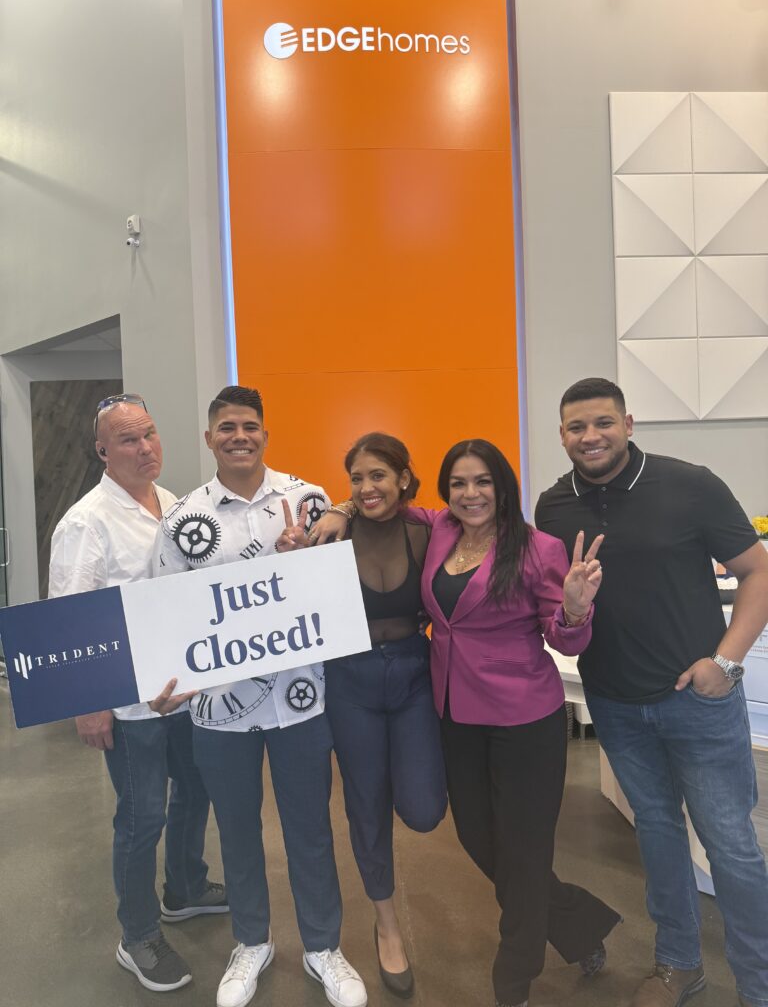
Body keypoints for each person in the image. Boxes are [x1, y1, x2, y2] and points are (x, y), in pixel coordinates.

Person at [314, 438, 621, 1007]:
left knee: (524, 851)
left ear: (503, 487)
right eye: (459, 483)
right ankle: (578, 923)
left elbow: (565, 639)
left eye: (483, 482)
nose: (470, 493)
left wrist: (576, 608)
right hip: (454, 711)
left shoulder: (539, 548)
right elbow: (378, 495)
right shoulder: (439, 530)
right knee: (480, 840)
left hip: (524, 717)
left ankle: (513, 980)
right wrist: (341, 507)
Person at [535, 377, 768, 1007]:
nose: (591, 436)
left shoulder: (690, 485)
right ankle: (679, 965)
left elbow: (758, 571)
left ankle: (759, 984)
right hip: (615, 703)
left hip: (699, 700)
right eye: (577, 427)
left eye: (603, 422)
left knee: (730, 847)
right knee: (658, 835)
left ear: (629, 424)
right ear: (562, 435)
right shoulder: (552, 508)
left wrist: (726, 662)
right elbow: (560, 604)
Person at [152, 385, 367, 1007]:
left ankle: (323, 946)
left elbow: (338, 594)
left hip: (302, 699)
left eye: (249, 426)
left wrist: (308, 556)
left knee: (310, 828)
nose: (239, 436)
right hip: (217, 709)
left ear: (266, 435)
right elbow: (167, 613)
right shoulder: (183, 520)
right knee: (237, 830)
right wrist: (163, 685)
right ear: (209, 438)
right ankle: (252, 941)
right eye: (227, 427)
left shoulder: (310, 499)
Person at [48, 393, 227, 994]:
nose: (145, 447)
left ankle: (185, 887)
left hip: (182, 691)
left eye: (149, 433)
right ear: (103, 451)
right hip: (129, 704)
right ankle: (138, 934)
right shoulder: (87, 522)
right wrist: (89, 703)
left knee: (194, 791)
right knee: (142, 815)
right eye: (128, 439)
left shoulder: (174, 504)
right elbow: (69, 620)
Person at [317, 433, 447, 999]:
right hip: (351, 680)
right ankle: (387, 925)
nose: (367, 488)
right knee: (365, 807)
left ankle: (398, 774)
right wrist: (339, 510)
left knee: (423, 809)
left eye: (378, 476)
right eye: (357, 479)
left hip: (414, 673)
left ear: (402, 478)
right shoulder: (332, 535)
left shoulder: (428, 530)